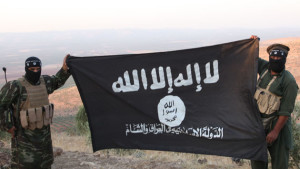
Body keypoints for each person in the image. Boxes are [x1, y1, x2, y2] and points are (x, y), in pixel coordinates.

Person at [0, 54, 71, 169]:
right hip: (24, 143)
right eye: (32, 69)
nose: (35, 71)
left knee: (45, 164)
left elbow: (57, 81)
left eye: (38, 69)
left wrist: (64, 69)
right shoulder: (16, 86)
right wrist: (7, 126)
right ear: (26, 69)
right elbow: (1, 105)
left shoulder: (45, 82)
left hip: (44, 142)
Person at [250, 35, 299, 169]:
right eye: (273, 57)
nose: (276, 60)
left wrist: (275, 132)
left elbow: (286, 110)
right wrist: (253, 43)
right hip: (259, 127)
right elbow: (252, 59)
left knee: (280, 165)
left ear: (284, 59)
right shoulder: (265, 68)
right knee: (257, 162)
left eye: (279, 58)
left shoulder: (288, 81)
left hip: (278, 128)